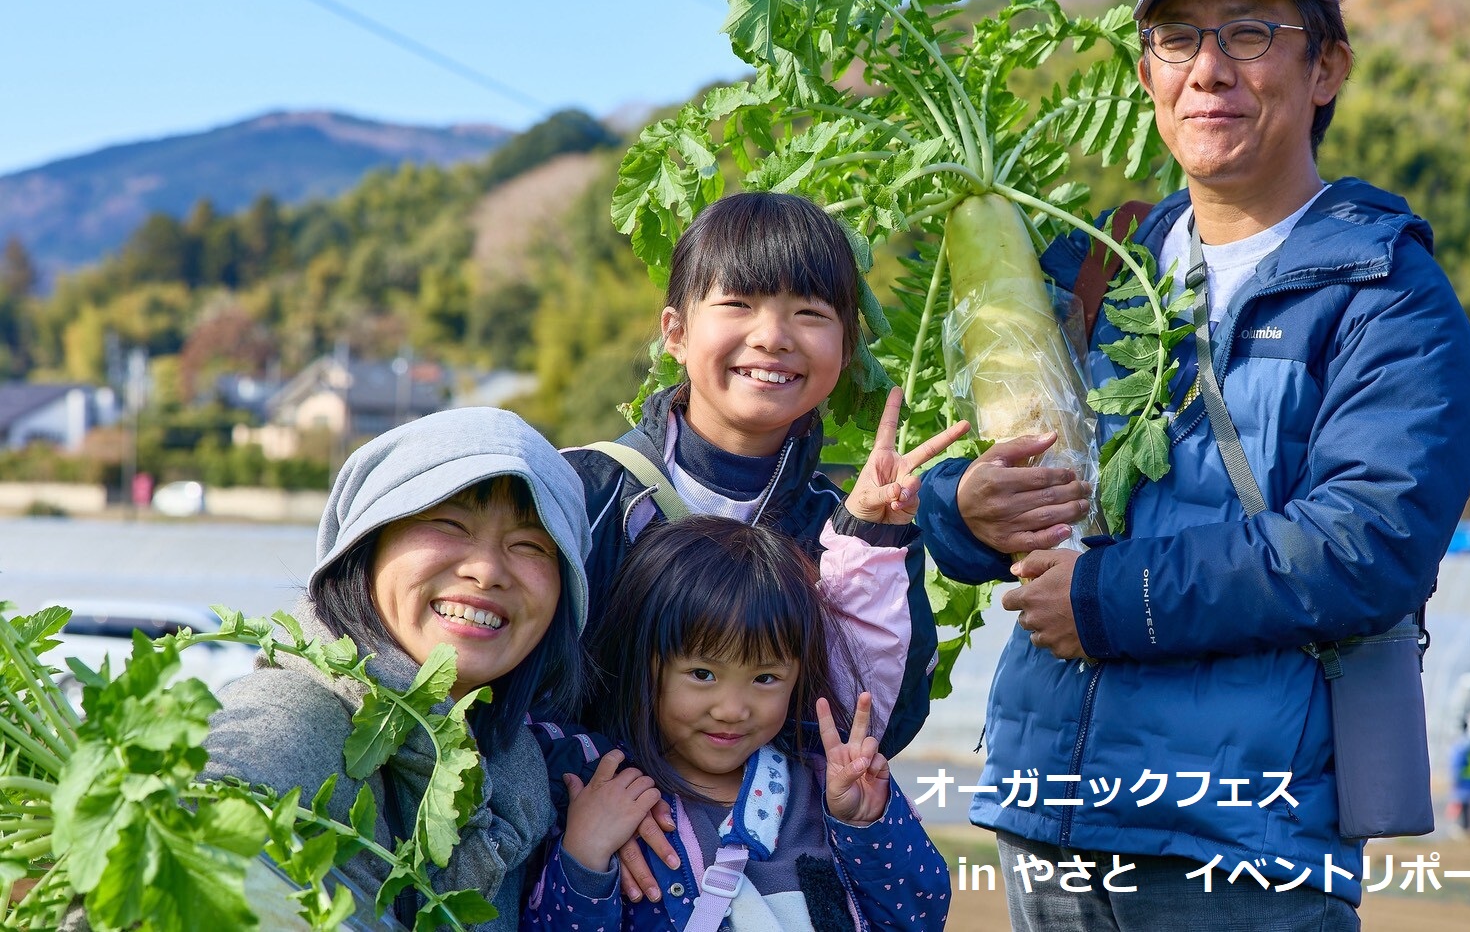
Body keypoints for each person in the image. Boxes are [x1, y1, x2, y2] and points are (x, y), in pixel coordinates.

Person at [915, 0, 1470, 930]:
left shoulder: (1386, 294)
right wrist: (964, 508)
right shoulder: (1091, 265)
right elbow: (981, 480)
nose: (1208, 68)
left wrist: (1108, 600)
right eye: (1176, 38)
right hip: (1047, 823)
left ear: (1326, 70)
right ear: (1146, 77)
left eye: (1249, 31)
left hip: (1240, 849)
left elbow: (1368, 542)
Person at [564, 191, 938, 761]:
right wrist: (593, 789)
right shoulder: (586, 495)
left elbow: (883, 723)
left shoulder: (849, 530)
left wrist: (873, 542)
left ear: (847, 347)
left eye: (810, 313)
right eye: (738, 304)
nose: (773, 337)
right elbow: (519, 697)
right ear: (677, 332)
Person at [203, 406, 593, 931]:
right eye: (450, 524)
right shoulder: (282, 729)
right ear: (365, 545)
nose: (486, 571)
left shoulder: (513, 770)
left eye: (529, 546)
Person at [525, 515, 952, 930]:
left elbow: (920, 916)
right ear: (644, 663)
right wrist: (583, 858)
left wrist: (866, 825)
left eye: (765, 678)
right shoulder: (605, 797)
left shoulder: (824, 791)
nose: (732, 709)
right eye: (702, 674)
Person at [1448, 716, 1470, 837]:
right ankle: (1468, 830)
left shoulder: (1458, 746)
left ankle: (1460, 830)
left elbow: (1456, 765)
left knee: (1459, 806)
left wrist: (1454, 780)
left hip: (1462, 781)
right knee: (1468, 808)